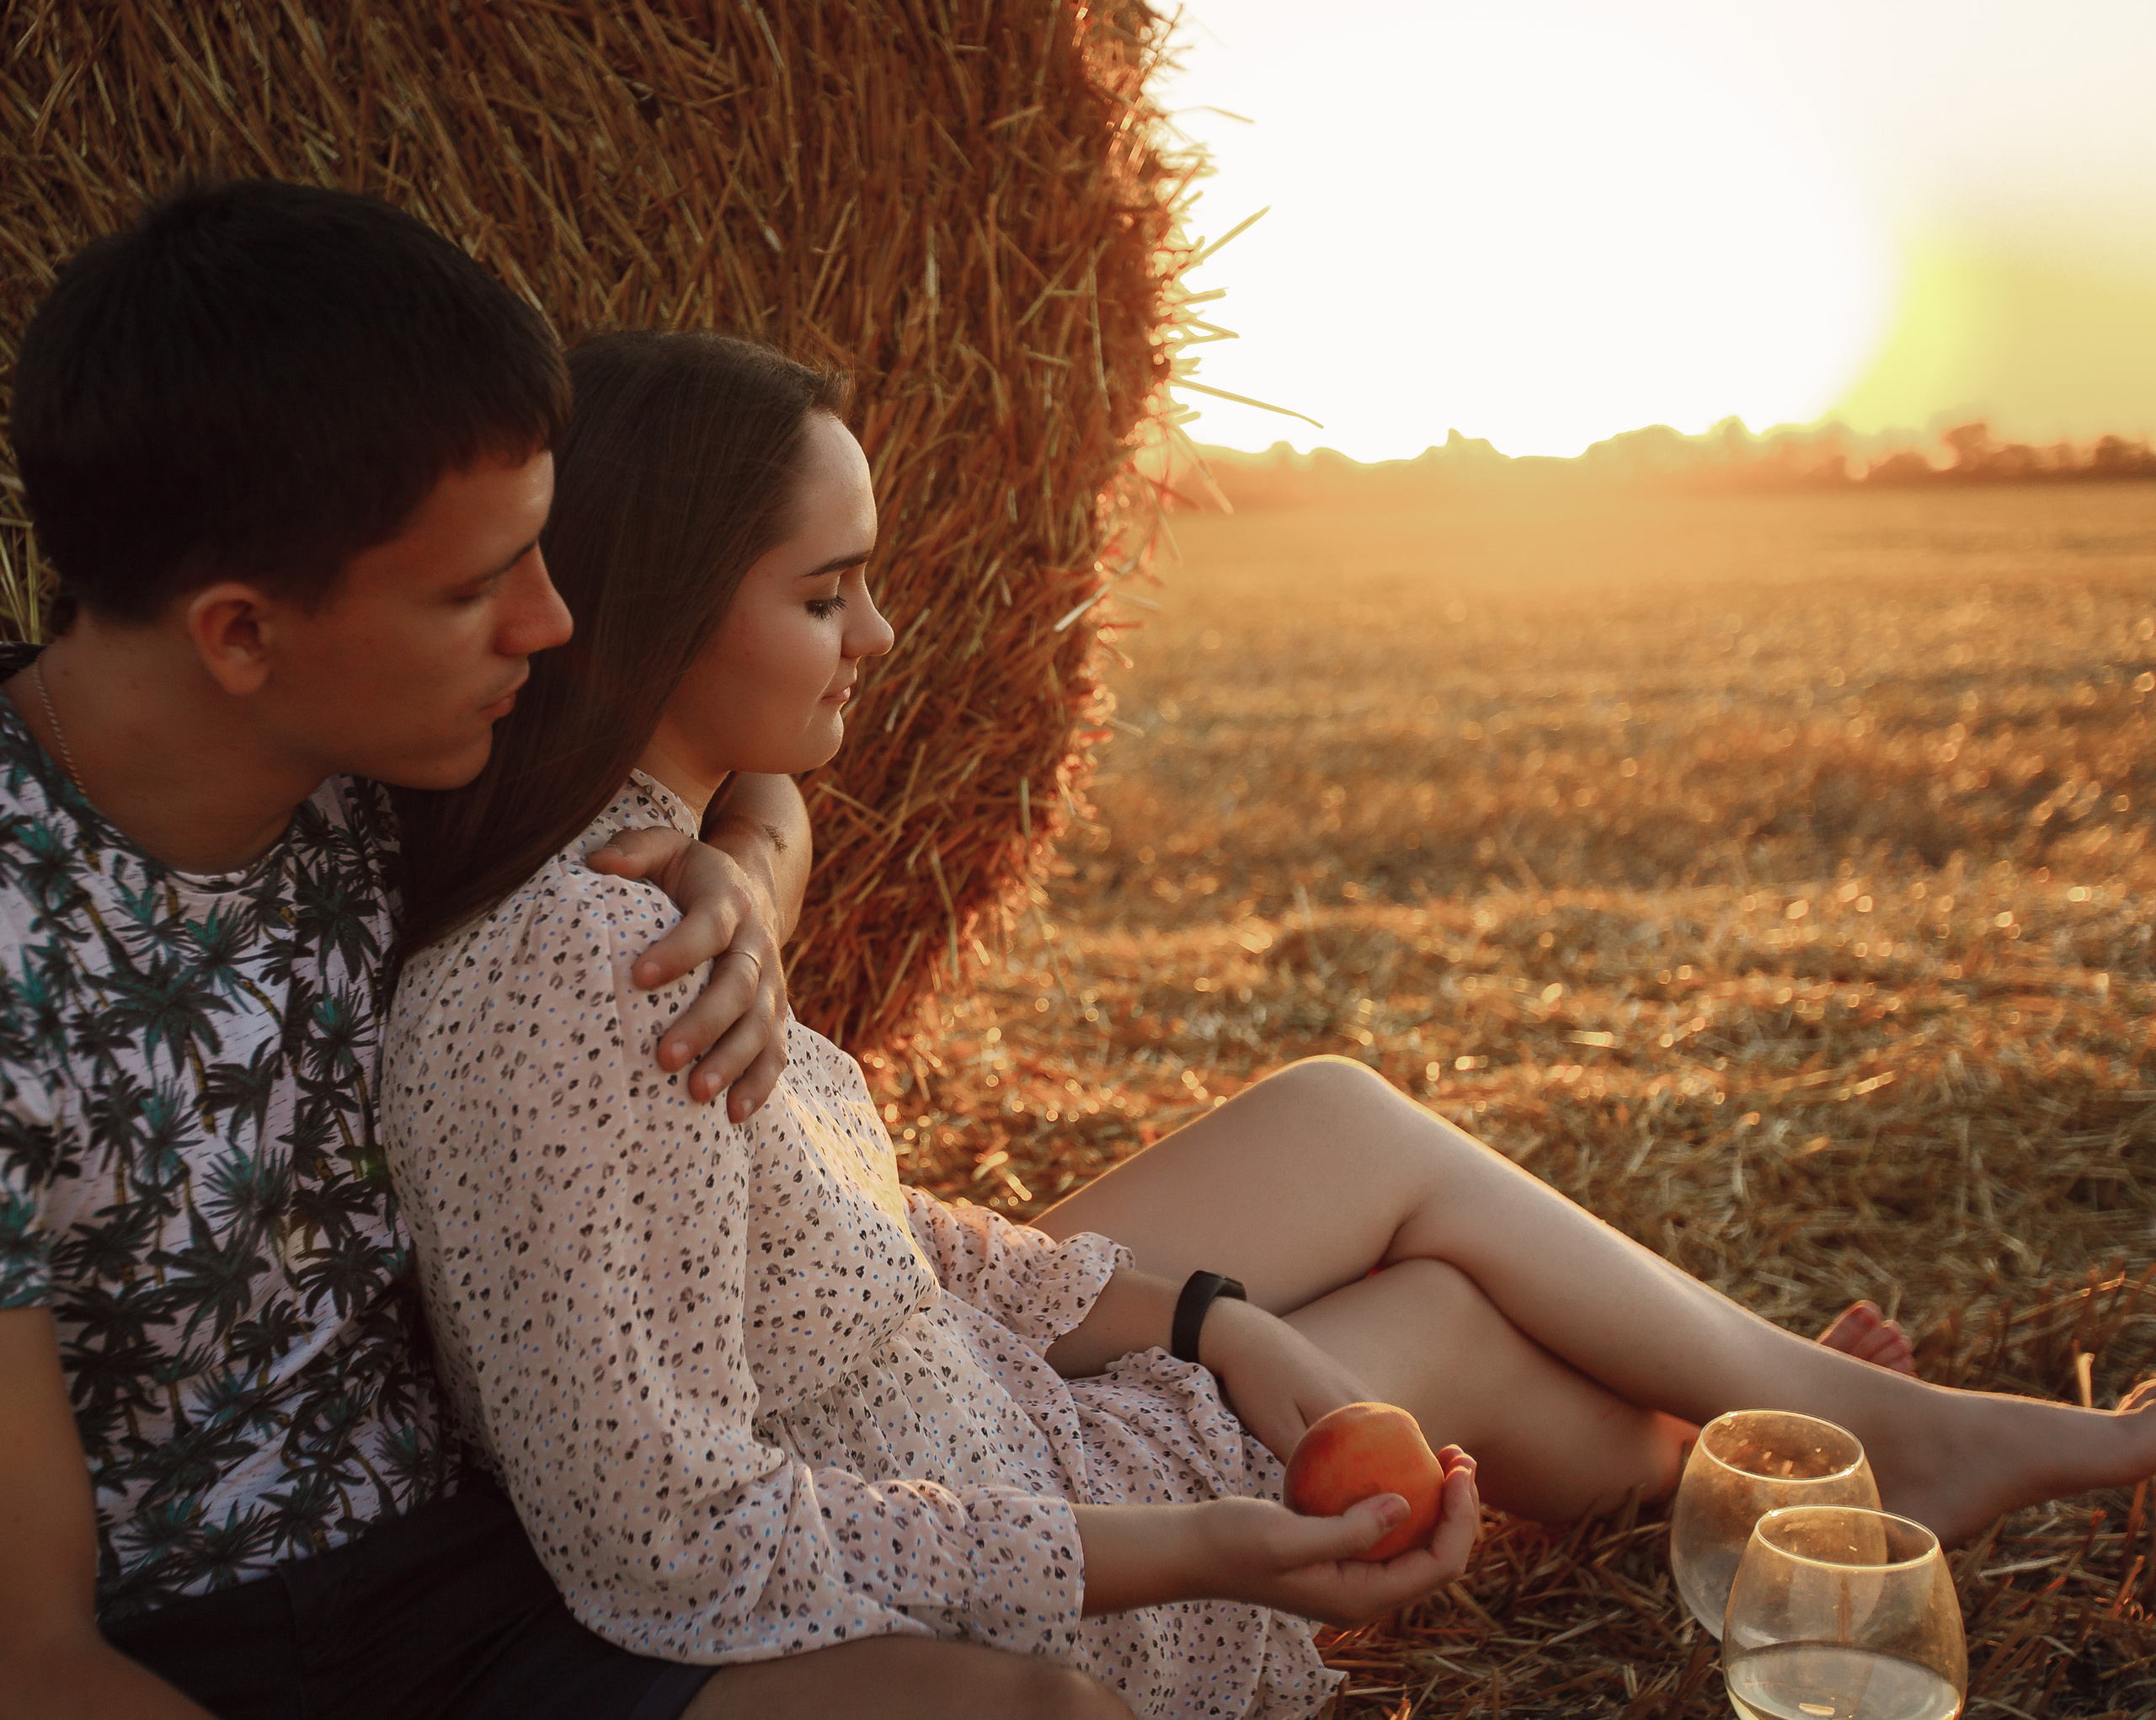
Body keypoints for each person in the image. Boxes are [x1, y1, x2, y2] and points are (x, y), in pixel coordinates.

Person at [384, 327, 2156, 1720]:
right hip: (976, 1515)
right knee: (1441, 1324)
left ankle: (1781, 1441)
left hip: (933, 1376)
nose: (889, 632)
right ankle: (1786, 1461)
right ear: (660, 598)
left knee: (1337, 1117)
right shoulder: (608, 978)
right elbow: (687, 1533)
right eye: (827, 590)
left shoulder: (652, 875)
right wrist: (1211, 1534)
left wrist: (1221, 1323)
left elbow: (845, 1227)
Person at [0, 180, 1132, 1720]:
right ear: (241, 634)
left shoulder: (388, 749)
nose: (553, 624)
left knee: (1029, 1709)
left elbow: (743, 755)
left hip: (511, 1558)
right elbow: (33, 1654)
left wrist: (739, 883)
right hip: (200, 1656)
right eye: (481, 588)